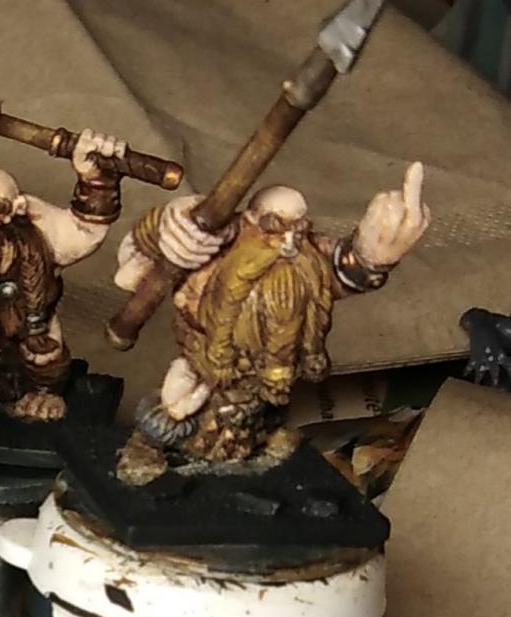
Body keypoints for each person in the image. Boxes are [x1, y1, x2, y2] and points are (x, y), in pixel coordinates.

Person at [113, 165, 430, 483]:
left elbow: (342, 270)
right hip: (204, 359)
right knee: (175, 407)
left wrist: (372, 256)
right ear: (249, 222)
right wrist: (171, 224)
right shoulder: (216, 252)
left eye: (298, 229)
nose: (288, 241)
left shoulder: (304, 264)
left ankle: (242, 456)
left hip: (268, 373)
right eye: (275, 228)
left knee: (254, 421)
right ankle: (144, 452)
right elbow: (138, 262)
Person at [0, 91, 126, 418]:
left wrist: (97, 180)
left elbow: (86, 230)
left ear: (16, 207)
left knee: (42, 350)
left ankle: (44, 393)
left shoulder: (41, 229)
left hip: (27, 321)